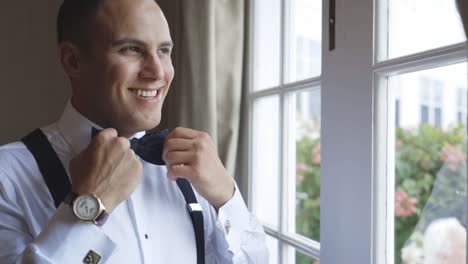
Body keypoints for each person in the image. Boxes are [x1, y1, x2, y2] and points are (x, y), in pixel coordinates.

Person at [0, 0, 268, 263]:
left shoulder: (193, 172)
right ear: (73, 61)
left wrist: (226, 197)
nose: (157, 72)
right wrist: (87, 208)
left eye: (164, 51)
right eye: (132, 49)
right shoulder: (6, 177)